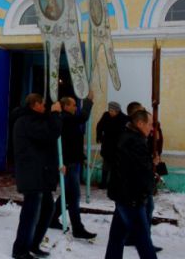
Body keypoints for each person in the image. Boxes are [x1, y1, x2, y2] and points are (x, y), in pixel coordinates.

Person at [12, 93, 62, 259]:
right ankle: (20, 249)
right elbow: (50, 132)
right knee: (30, 213)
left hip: (41, 173)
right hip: (31, 174)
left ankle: (33, 243)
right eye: (43, 104)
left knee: (48, 208)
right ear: (35, 105)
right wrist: (55, 114)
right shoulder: (26, 121)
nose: (45, 107)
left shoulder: (34, 119)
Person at [105, 110, 158, 259]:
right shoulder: (134, 141)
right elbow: (140, 173)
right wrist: (149, 188)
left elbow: (132, 167)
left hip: (124, 196)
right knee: (143, 241)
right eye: (150, 124)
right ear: (140, 124)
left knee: (117, 238)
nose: (152, 128)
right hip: (131, 198)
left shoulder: (129, 136)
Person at [50, 93, 97, 239]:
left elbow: (74, 143)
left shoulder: (69, 120)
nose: (76, 107)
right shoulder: (65, 118)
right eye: (73, 105)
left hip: (73, 161)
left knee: (67, 194)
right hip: (68, 164)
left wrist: (82, 158)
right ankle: (77, 228)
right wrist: (88, 101)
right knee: (73, 196)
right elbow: (83, 117)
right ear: (65, 106)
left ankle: (52, 218)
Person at [96, 101, 128, 189]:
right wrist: (99, 136)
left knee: (116, 166)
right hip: (107, 144)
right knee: (106, 164)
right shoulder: (106, 115)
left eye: (112, 110)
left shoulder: (123, 118)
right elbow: (99, 126)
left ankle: (113, 184)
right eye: (109, 110)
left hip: (118, 146)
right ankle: (103, 183)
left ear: (117, 111)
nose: (110, 112)